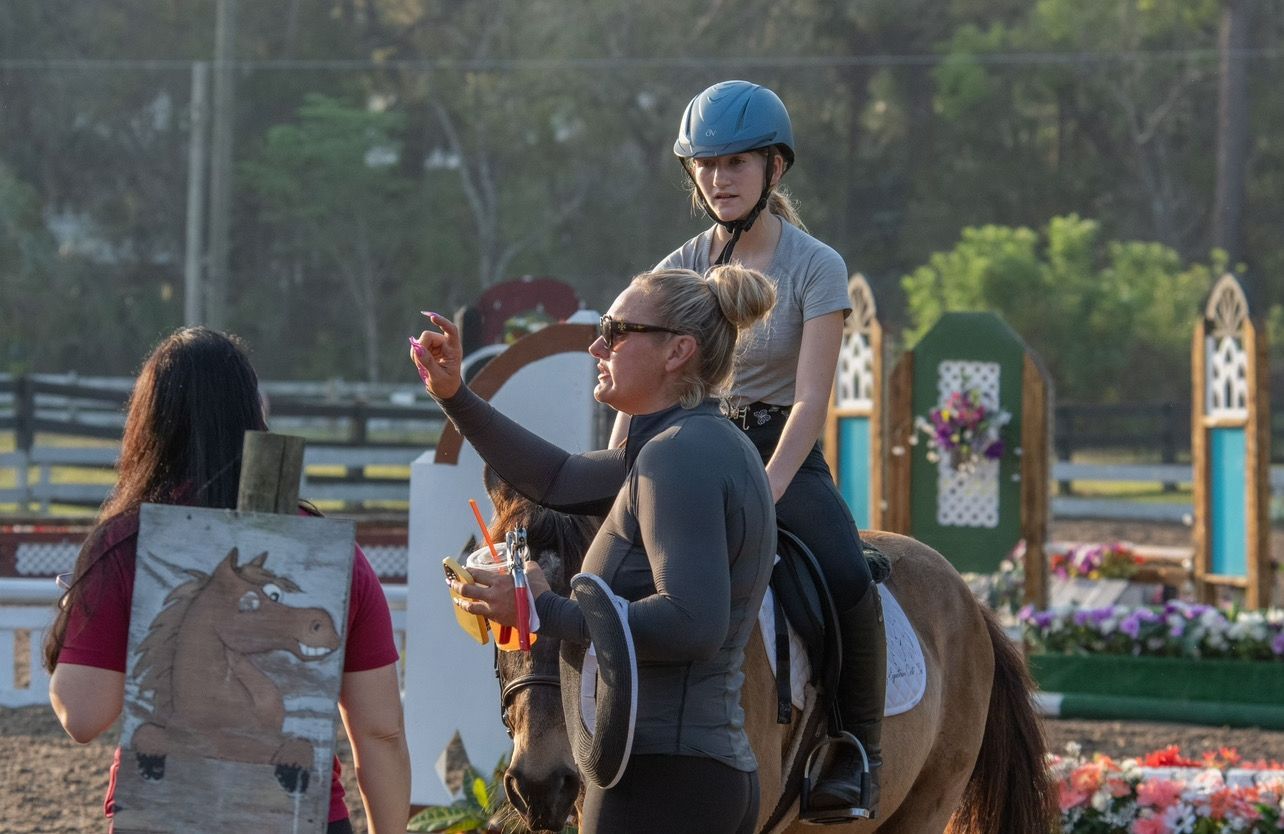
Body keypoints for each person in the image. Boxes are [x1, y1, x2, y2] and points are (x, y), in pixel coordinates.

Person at [411, 265, 777, 834]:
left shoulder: (678, 456)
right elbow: (555, 478)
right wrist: (455, 394)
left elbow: (692, 624)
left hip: (661, 785)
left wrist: (540, 610)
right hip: (685, 777)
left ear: (678, 351)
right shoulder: (687, 444)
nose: (596, 345)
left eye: (617, 329)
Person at [612, 79, 887, 817]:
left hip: (777, 451)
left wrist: (761, 496)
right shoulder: (677, 268)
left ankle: (856, 750)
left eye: (737, 163)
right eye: (706, 164)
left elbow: (810, 401)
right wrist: (617, 478)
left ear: (775, 169)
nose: (720, 178)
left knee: (847, 575)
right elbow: (633, 385)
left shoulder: (815, 265)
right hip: (686, 445)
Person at [44, 326, 410, 834]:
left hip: (164, 816)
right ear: (253, 412)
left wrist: (79, 610)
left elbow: (82, 716)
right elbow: (382, 731)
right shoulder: (328, 554)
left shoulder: (127, 544)